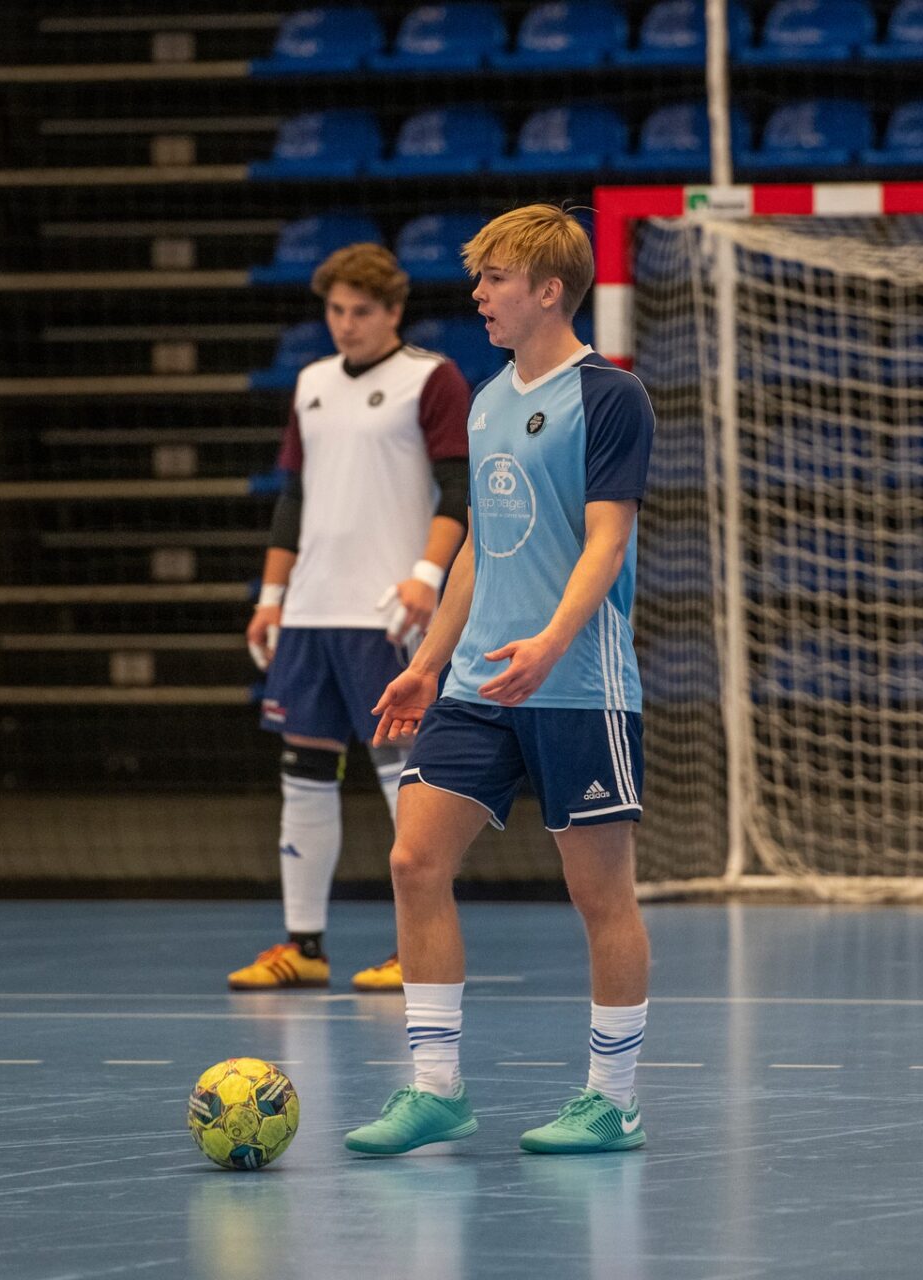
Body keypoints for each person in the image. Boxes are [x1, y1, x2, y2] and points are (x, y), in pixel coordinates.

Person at [342, 205, 656, 1156]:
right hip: (481, 684)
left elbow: (608, 538)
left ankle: (614, 1100)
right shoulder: (484, 401)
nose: (477, 294)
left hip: (577, 685)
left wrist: (556, 641)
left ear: (549, 289)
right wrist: (429, 663)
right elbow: (480, 544)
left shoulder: (610, 396)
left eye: (495, 280)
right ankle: (435, 1088)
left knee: (600, 896)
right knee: (412, 860)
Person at [229, 243, 470, 993]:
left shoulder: (431, 380)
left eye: (360, 311)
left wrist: (427, 577)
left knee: (404, 776)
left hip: (385, 615)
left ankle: (415, 948)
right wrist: (271, 599)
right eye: (334, 311)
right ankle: (303, 947)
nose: (345, 324)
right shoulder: (310, 383)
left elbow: (458, 493)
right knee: (303, 773)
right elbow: (293, 500)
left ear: (393, 311)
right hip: (309, 611)